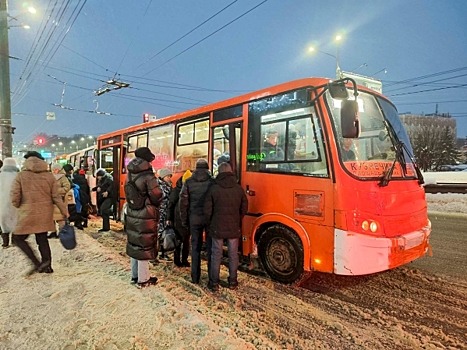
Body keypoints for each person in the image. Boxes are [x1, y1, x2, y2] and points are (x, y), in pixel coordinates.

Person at [11, 151, 68, 274]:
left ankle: (36, 263)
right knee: (42, 238)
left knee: (17, 238)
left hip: (27, 213)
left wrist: (16, 204)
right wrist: (64, 211)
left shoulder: (21, 176)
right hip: (45, 212)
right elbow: (56, 196)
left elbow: (15, 197)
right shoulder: (49, 176)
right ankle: (47, 264)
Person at [204, 162, 248, 291]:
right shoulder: (238, 188)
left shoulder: (214, 188)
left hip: (217, 227)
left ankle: (214, 283)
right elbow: (244, 207)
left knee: (216, 254)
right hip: (233, 227)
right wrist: (238, 218)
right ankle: (233, 281)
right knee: (233, 254)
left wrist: (211, 221)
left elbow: (207, 210)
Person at [125, 147, 162, 288]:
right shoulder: (148, 176)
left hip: (133, 211)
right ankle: (143, 279)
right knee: (144, 246)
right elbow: (157, 194)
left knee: (135, 244)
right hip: (145, 213)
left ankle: (135, 276)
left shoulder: (130, 173)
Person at [180, 158, 215, 284]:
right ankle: (212, 278)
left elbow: (183, 202)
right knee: (211, 249)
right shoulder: (212, 182)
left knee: (195, 248)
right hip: (209, 219)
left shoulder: (188, 182)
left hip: (194, 219)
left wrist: (184, 220)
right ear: (207, 168)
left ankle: (195, 278)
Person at [167, 169, 192, 267]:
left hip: (186, 219)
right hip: (177, 219)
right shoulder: (176, 190)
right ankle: (177, 260)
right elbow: (170, 205)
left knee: (186, 241)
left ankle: (184, 260)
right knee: (178, 240)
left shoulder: (188, 189)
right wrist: (169, 218)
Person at [0, 158, 19, 248]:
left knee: (3, 220)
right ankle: (14, 240)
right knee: (15, 219)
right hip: (15, 202)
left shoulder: (1, 175)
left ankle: (5, 242)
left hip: (2, 202)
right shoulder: (18, 176)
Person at [49, 163, 71, 239]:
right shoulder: (50, 177)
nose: (54, 171)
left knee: (60, 218)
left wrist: (57, 191)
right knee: (51, 217)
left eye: (55, 169)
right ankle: (53, 231)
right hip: (51, 200)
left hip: (60, 200)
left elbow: (67, 187)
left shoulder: (63, 178)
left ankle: (62, 232)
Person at [156, 167, 173, 262]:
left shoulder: (168, 185)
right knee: (159, 233)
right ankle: (157, 253)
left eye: (170, 176)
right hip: (160, 213)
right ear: (163, 177)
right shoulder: (160, 186)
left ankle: (163, 253)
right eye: (167, 176)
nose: (169, 178)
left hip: (166, 212)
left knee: (164, 233)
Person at [93, 168, 115, 232]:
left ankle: (106, 227)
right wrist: (94, 189)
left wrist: (107, 192)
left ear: (101, 175)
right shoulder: (102, 180)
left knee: (104, 209)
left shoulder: (108, 178)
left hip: (109, 197)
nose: (97, 178)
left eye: (98, 176)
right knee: (103, 210)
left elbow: (111, 186)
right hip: (104, 197)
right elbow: (100, 186)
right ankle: (105, 227)